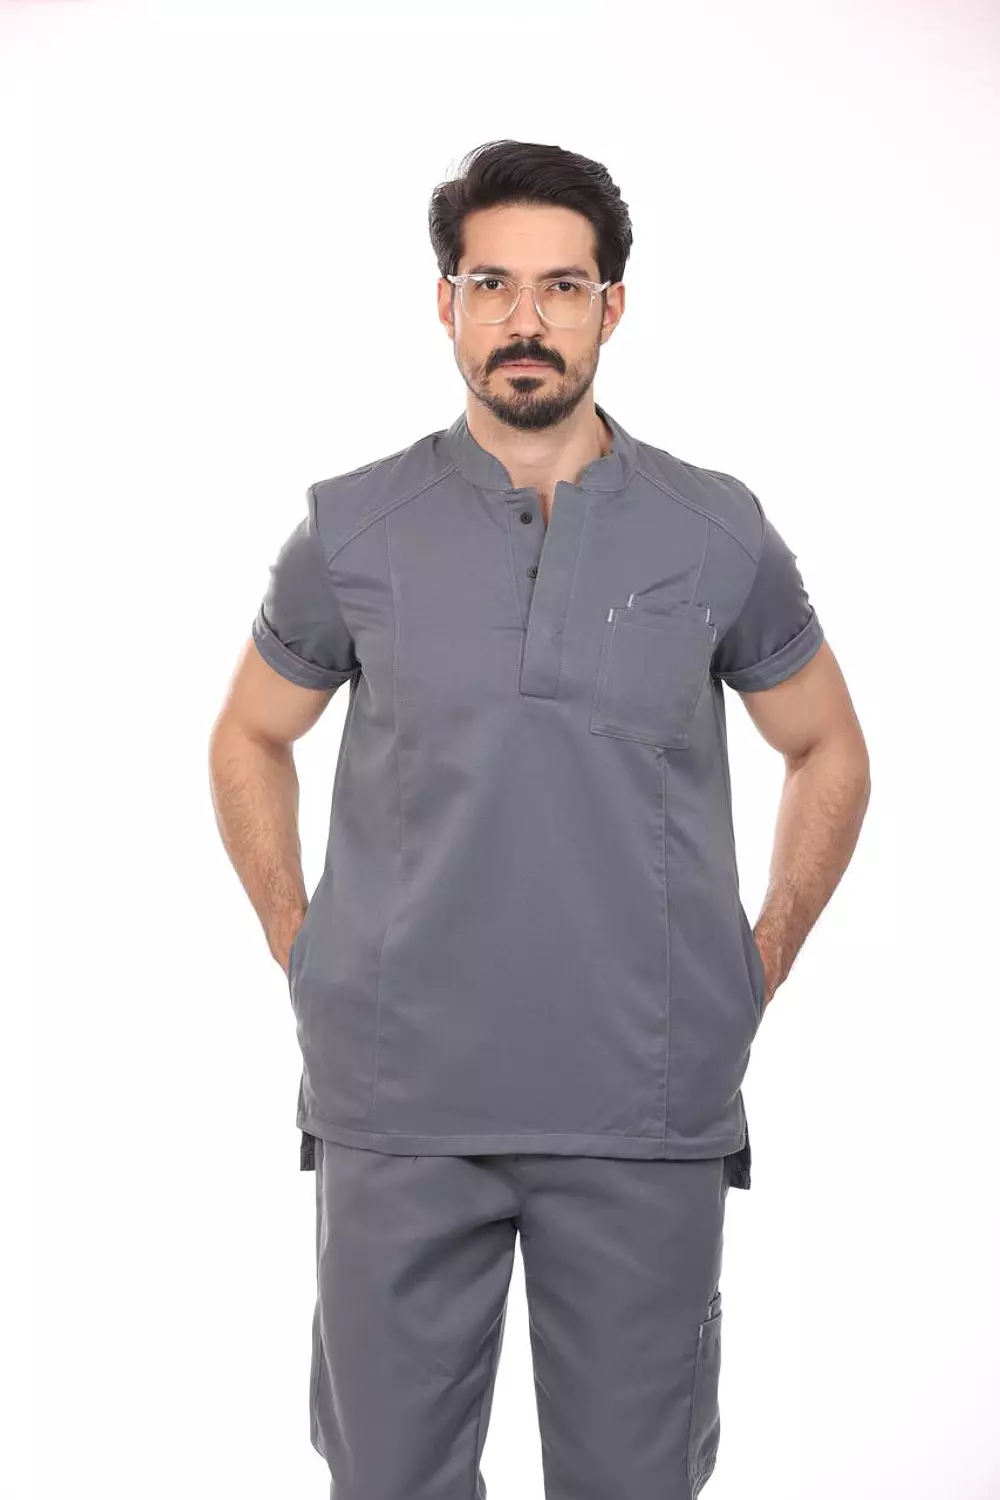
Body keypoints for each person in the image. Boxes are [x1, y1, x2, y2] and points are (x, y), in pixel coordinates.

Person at [208, 138, 871, 1500]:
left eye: (562, 287)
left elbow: (828, 749)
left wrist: (755, 962)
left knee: (634, 1482)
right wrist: (303, 944)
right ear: (444, 303)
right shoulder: (353, 527)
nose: (526, 319)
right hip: (398, 1101)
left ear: (611, 306)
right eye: (492, 285)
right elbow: (250, 735)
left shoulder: (715, 529)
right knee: (387, 1480)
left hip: (645, 1102)